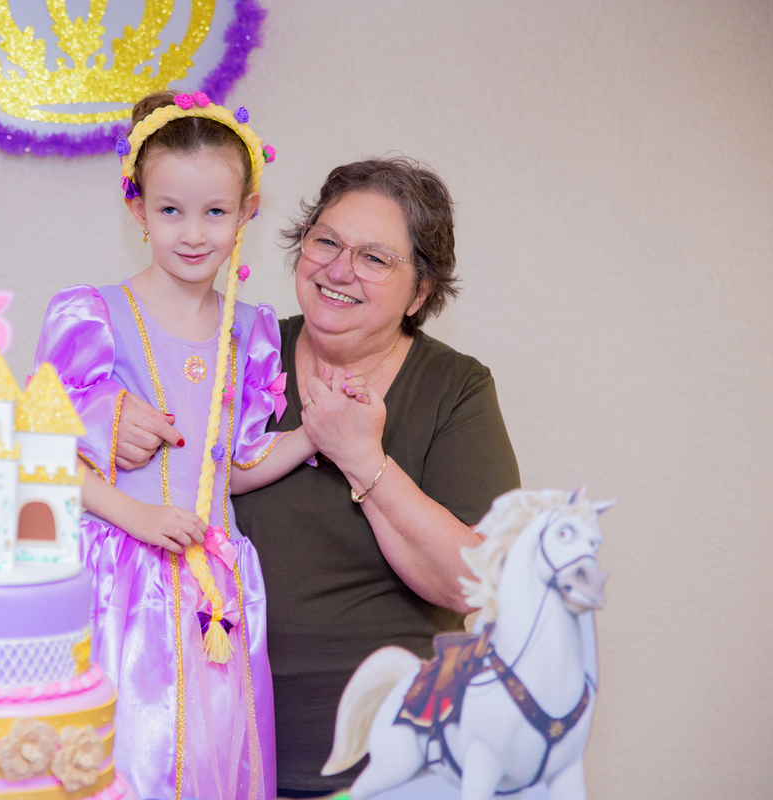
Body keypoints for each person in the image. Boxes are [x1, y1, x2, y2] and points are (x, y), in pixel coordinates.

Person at [32, 92, 314, 800]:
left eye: (215, 212)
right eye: (171, 210)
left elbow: (237, 466)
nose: (194, 233)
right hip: (118, 582)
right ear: (137, 207)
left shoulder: (250, 333)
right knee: (127, 755)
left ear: (247, 209)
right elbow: (39, 454)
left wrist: (316, 434)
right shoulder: (91, 315)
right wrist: (138, 518)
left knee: (211, 759)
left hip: (215, 587)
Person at [228, 158, 522, 797]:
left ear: (419, 292)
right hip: (224, 749)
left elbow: (476, 583)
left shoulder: (455, 388)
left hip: (396, 762)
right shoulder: (238, 352)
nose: (339, 269)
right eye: (327, 241)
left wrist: (363, 459)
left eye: (375, 258)